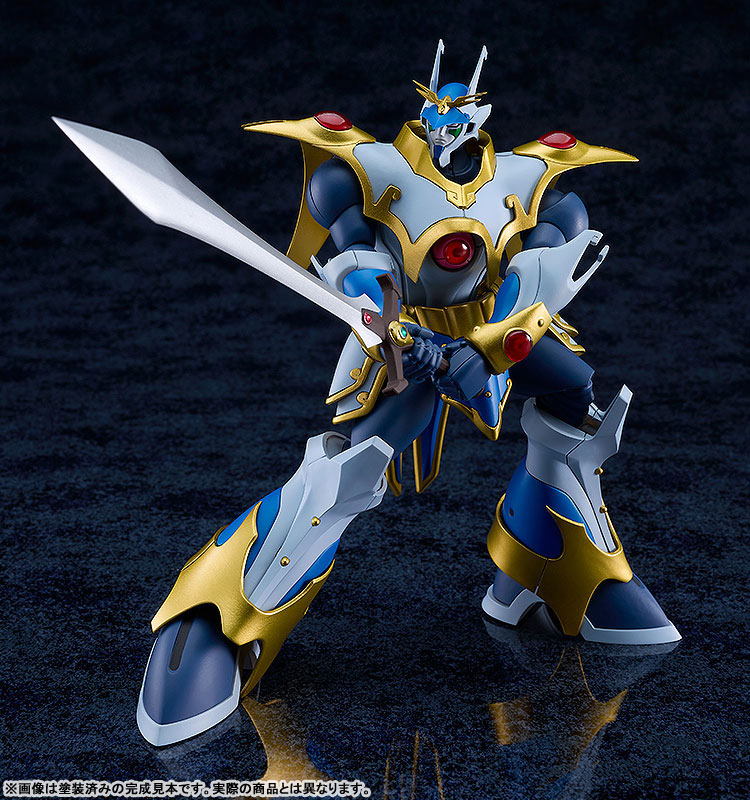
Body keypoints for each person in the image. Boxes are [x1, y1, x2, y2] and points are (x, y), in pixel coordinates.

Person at [136, 40, 679, 747]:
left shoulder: (531, 176)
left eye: (461, 116)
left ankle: (550, 557)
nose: (448, 128)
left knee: (573, 394)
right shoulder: (368, 170)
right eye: (438, 115)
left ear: (480, 115)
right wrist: (384, 312)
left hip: (500, 332)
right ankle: (219, 619)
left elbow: (537, 273)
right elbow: (356, 254)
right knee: (353, 465)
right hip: (402, 343)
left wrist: (488, 348)